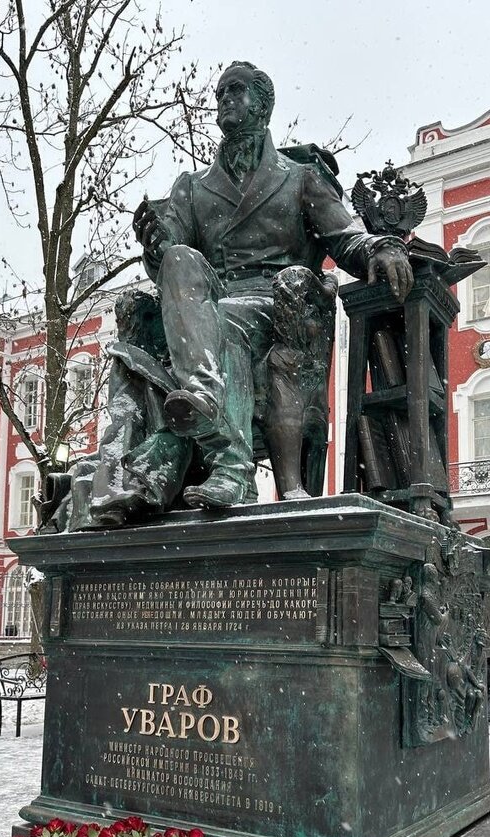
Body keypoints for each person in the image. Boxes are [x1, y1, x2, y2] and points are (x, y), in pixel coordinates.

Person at [114, 60, 413, 515]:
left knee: (218, 321)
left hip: (276, 300)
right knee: (180, 262)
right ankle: (215, 441)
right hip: (209, 297)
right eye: (219, 95)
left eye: (235, 91)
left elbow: (344, 237)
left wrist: (381, 246)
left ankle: (214, 447)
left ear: (263, 105)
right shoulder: (192, 187)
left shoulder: (299, 177)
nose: (224, 101)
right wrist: (155, 243)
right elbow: (167, 263)